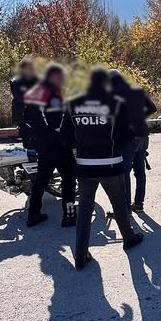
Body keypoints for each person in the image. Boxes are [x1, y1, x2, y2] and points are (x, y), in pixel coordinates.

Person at [62, 67, 144, 270]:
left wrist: (80, 145)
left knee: (84, 210)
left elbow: (65, 136)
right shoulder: (114, 103)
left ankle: (80, 255)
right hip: (111, 164)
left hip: (84, 166)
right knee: (119, 203)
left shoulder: (72, 103)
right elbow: (126, 132)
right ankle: (129, 238)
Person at [23, 63, 75, 228]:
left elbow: (26, 120)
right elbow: (64, 120)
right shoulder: (56, 95)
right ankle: (69, 216)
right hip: (59, 145)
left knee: (40, 180)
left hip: (42, 145)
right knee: (69, 179)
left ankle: (33, 214)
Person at [109, 69, 157, 213]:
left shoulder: (113, 94)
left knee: (124, 174)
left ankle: (125, 209)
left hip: (127, 139)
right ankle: (139, 205)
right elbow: (153, 108)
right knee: (140, 172)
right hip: (143, 135)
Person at [10, 58, 39, 150]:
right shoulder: (16, 81)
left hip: (34, 113)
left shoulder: (36, 79)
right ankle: (29, 156)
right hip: (24, 113)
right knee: (27, 136)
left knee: (36, 137)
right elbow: (19, 97)